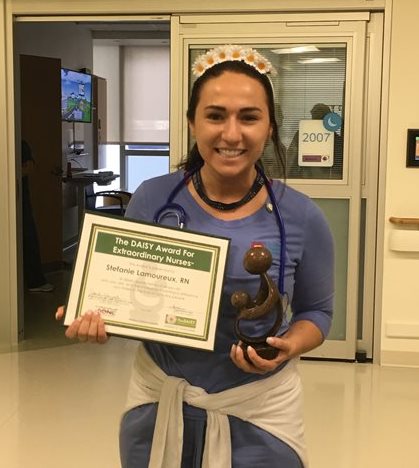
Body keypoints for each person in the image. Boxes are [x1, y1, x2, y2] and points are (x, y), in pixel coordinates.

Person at [56, 45, 334, 467]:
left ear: (270, 126)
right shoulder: (152, 200)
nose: (231, 134)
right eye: (216, 115)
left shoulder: (301, 216)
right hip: (159, 405)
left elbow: (317, 312)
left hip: (261, 413)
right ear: (192, 122)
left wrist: (287, 345)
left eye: (249, 117)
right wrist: (98, 317)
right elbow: (129, 293)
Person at [21, 139, 54, 292]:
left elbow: (28, 167)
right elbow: (29, 167)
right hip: (19, 202)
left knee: (28, 238)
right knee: (28, 237)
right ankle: (35, 281)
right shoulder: (17, 143)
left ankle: (34, 279)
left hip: (20, 199)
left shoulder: (17, 143)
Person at [286, 103, 343, 179]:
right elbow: (290, 160)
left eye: (320, 116)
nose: (317, 120)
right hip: (305, 179)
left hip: (327, 179)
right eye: (316, 116)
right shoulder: (301, 135)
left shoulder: (335, 139)